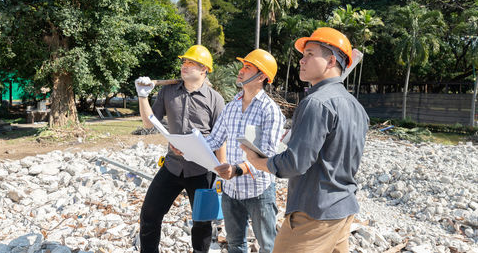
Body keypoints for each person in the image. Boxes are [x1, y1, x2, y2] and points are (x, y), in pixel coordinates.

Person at [241, 27, 369, 253]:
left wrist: (258, 161)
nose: (302, 60)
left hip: (314, 215)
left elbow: (295, 164)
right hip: (343, 210)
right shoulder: (356, 107)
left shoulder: (316, 103)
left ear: (331, 61)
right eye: (303, 55)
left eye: (310, 54)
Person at [134, 45, 226, 253]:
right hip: (172, 167)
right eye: (184, 62)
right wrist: (142, 96)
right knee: (149, 214)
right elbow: (149, 123)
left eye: (190, 63)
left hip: (202, 171)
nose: (184, 66)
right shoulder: (168, 91)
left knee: (202, 224)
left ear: (204, 70)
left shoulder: (215, 100)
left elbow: (221, 138)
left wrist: (220, 171)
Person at [205, 49, 285, 253]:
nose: (241, 71)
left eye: (248, 67)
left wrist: (237, 170)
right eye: (243, 66)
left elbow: (268, 156)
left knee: (268, 246)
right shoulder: (232, 106)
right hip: (231, 191)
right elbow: (214, 139)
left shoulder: (270, 111)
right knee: (235, 245)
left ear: (263, 77)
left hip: (258, 190)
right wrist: (187, 146)